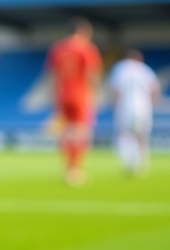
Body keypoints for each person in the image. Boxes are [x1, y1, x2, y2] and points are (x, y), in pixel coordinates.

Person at [45, 18, 102, 185]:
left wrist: (53, 97)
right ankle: (75, 169)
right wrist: (95, 95)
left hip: (62, 96)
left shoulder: (57, 48)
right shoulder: (86, 48)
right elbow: (92, 74)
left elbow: (52, 75)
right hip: (80, 95)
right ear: (82, 31)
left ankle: (67, 169)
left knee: (66, 133)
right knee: (81, 133)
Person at [108, 49, 161, 176]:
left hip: (124, 108)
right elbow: (154, 89)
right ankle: (141, 165)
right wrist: (152, 105)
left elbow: (116, 90)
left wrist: (114, 107)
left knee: (124, 135)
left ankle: (128, 164)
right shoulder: (144, 69)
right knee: (141, 137)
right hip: (144, 108)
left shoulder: (120, 68)